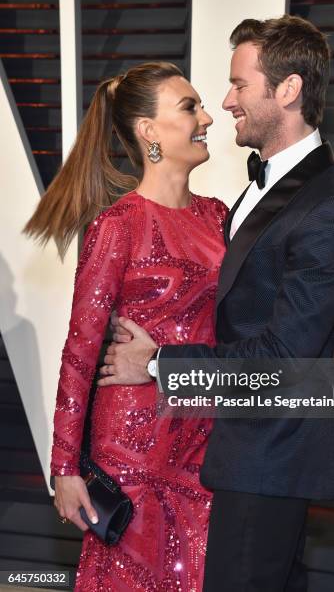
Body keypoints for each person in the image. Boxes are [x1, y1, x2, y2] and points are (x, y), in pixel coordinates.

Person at [99, 15, 334, 592]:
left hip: (270, 453)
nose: (225, 102)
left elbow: (278, 362)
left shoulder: (330, 207)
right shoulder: (267, 187)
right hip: (241, 448)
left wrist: (154, 364)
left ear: (288, 90)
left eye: (240, 85)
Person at [24, 61, 229, 591]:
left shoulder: (218, 216)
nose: (207, 117)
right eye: (190, 107)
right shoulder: (119, 225)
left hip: (202, 438)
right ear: (148, 131)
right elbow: (80, 351)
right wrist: (65, 469)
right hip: (133, 447)